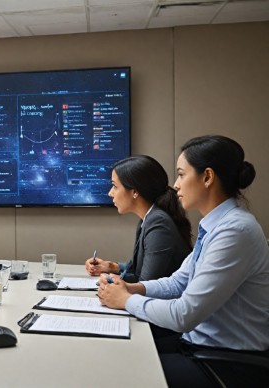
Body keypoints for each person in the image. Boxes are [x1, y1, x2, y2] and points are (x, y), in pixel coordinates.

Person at [98, 135, 269, 387]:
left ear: (207, 177)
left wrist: (126, 300)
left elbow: (184, 314)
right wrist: (134, 288)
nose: (175, 185)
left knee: (118, 371)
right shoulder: (217, 225)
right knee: (114, 354)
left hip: (226, 364)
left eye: (181, 174)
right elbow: (178, 282)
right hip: (198, 347)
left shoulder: (235, 231)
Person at [85, 155, 192, 282]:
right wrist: (111, 267)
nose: (110, 193)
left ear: (135, 192)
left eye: (115, 186)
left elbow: (145, 284)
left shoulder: (158, 223)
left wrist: (111, 280)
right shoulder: (148, 218)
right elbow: (139, 270)